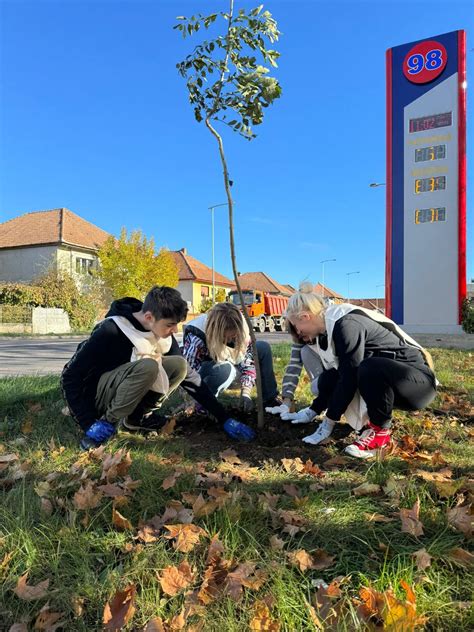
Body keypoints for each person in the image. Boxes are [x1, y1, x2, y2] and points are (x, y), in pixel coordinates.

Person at [61, 286, 255, 449]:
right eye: (170, 325)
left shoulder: (161, 334)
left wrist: (224, 418)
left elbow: (190, 377)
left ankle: (138, 419)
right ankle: (106, 424)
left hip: (124, 390)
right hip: (97, 397)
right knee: (149, 366)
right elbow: (69, 376)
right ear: (149, 316)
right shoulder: (111, 330)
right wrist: (88, 423)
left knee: (179, 365)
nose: (175, 331)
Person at [269, 283, 437, 458]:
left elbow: (349, 378)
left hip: (418, 386)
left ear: (305, 316)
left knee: (367, 368)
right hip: (394, 384)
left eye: (296, 326)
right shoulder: (327, 330)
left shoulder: (345, 325)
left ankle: (380, 433)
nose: (297, 332)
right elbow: (337, 377)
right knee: (330, 376)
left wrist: (328, 423)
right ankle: (370, 427)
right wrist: (313, 410)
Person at [182, 302, 281, 411]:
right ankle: (204, 404)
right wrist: (192, 399)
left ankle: (269, 400)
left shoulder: (241, 330)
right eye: (226, 337)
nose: (230, 341)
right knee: (226, 369)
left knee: (262, 347)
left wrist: (246, 393)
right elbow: (188, 375)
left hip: (234, 369)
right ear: (216, 332)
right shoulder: (197, 337)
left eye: (233, 337)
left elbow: (248, 362)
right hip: (209, 374)